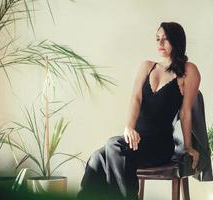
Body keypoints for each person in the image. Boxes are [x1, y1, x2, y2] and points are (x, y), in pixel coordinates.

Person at [78, 22, 200, 200]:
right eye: (158, 39)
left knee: (113, 144)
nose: (160, 43)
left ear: (177, 41)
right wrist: (129, 127)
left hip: (159, 146)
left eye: (165, 39)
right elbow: (135, 98)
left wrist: (188, 146)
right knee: (97, 157)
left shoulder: (188, 71)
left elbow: (186, 112)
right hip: (136, 142)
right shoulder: (147, 66)